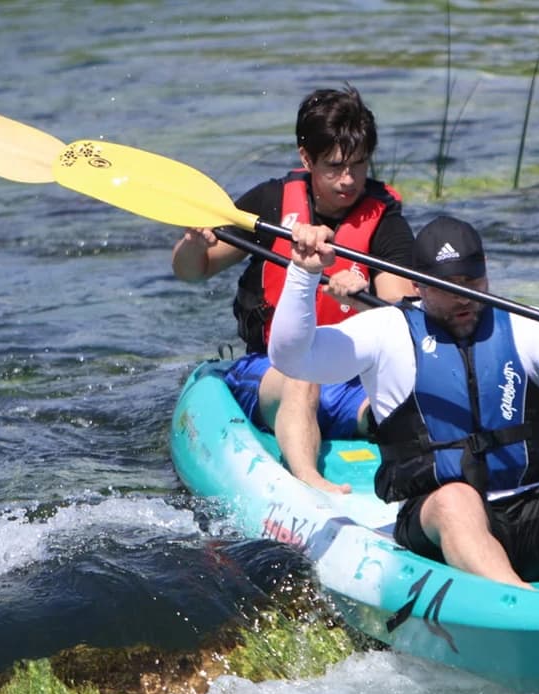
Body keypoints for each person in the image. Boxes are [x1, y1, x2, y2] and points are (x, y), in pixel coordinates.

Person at [267, 214, 539, 603]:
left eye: (471, 281)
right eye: (446, 286)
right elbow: (293, 359)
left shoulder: (520, 326)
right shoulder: (385, 330)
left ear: (486, 273)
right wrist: (304, 274)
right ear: (417, 284)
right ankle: (524, 601)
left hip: (526, 506)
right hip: (437, 522)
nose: (462, 296)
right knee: (457, 500)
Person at [172, 85, 414, 495]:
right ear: (307, 158)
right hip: (271, 372)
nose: (349, 180)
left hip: (349, 379)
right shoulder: (271, 202)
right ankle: (309, 482)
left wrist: (359, 302)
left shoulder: (385, 220)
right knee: (303, 374)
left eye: (359, 165)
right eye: (334, 167)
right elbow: (194, 271)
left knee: (403, 407)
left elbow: (400, 307)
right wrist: (194, 245)